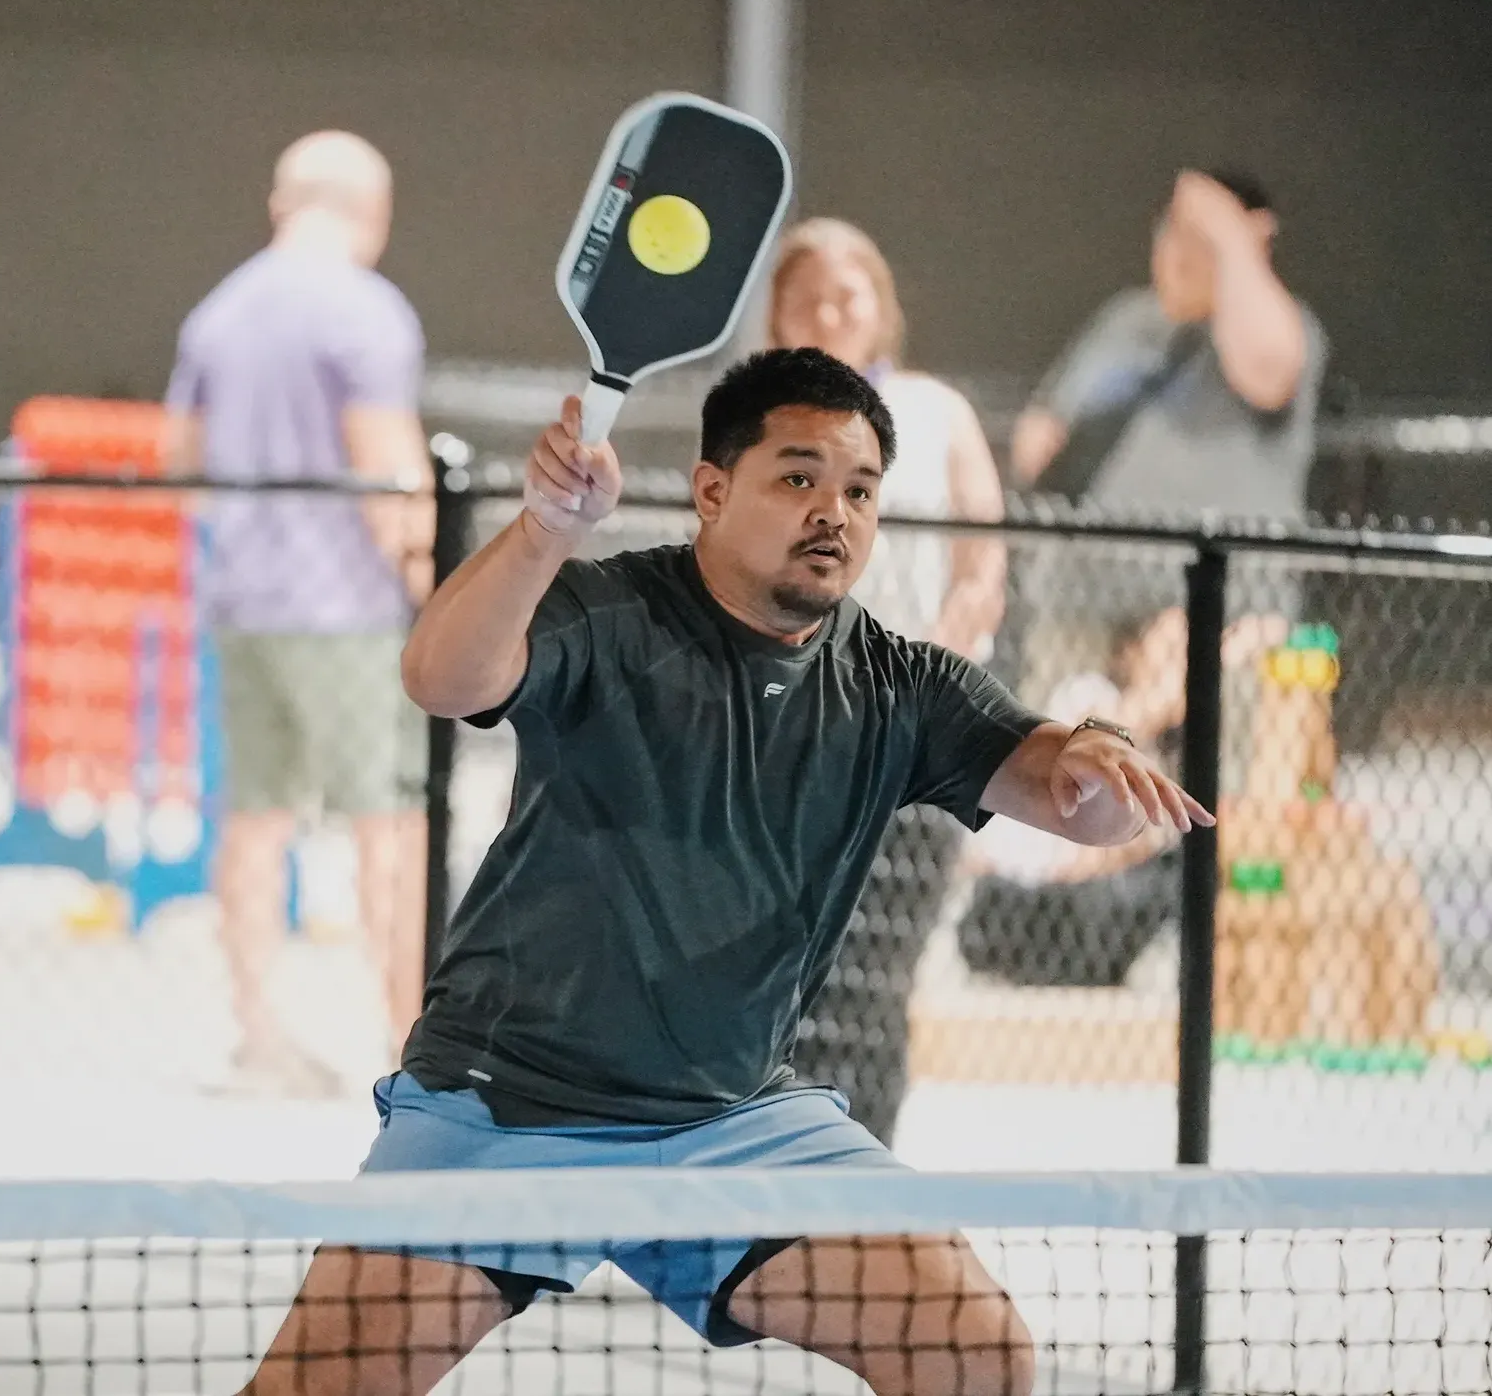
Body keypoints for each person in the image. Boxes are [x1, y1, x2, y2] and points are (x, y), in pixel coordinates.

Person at [240, 349, 1209, 1396]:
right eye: (796, 477)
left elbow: (1072, 794)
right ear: (712, 490)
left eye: (858, 488)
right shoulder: (606, 612)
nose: (831, 511)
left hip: (730, 1126)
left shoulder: (899, 685)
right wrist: (541, 533)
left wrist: (1100, 748)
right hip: (507, 1110)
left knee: (975, 1353)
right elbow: (440, 674)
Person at [165, 130, 433, 1097]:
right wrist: (431, 587)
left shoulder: (219, 313)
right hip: (350, 609)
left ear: (283, 204)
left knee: (255, 818)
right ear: (375, 212)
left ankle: (259, 1036)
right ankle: (411, 1046)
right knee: (394, 824)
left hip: (244, 600)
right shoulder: (368, 314)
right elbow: (387, 467)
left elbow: (181, 464)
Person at [767, 219, 1008, 1144]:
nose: (831, 310)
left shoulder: (938, 413)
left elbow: (982, 567)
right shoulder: (757, 427)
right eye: (809, 295)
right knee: (788, 974)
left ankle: (860, 1176)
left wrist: (917, 687)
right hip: (790, 735)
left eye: (849, 292)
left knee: (879, 972)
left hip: (913, 741)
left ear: (882, 305)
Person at [1007, 168, 1326, 724]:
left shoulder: (1285, 324)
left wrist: (1230, 237)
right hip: (1081, 606)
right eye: (1171, 230)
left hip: (1222, 616)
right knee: (1051, 772)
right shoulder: (1123, 321)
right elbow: (1040, 439)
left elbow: (1269, 368)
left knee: (1209, 793)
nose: (1178, 250)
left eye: (1199, 237)